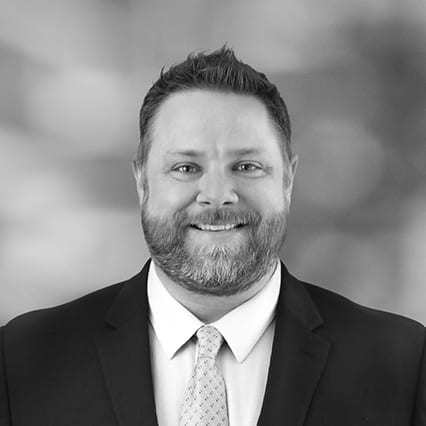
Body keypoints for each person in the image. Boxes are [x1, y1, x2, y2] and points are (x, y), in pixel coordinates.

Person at [0, 46, 424, 426]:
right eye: (186, 168)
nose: (218, 194)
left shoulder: (404, 365)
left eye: (247, 166)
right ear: (142, 182)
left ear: (288, 180)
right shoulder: (22, 360)